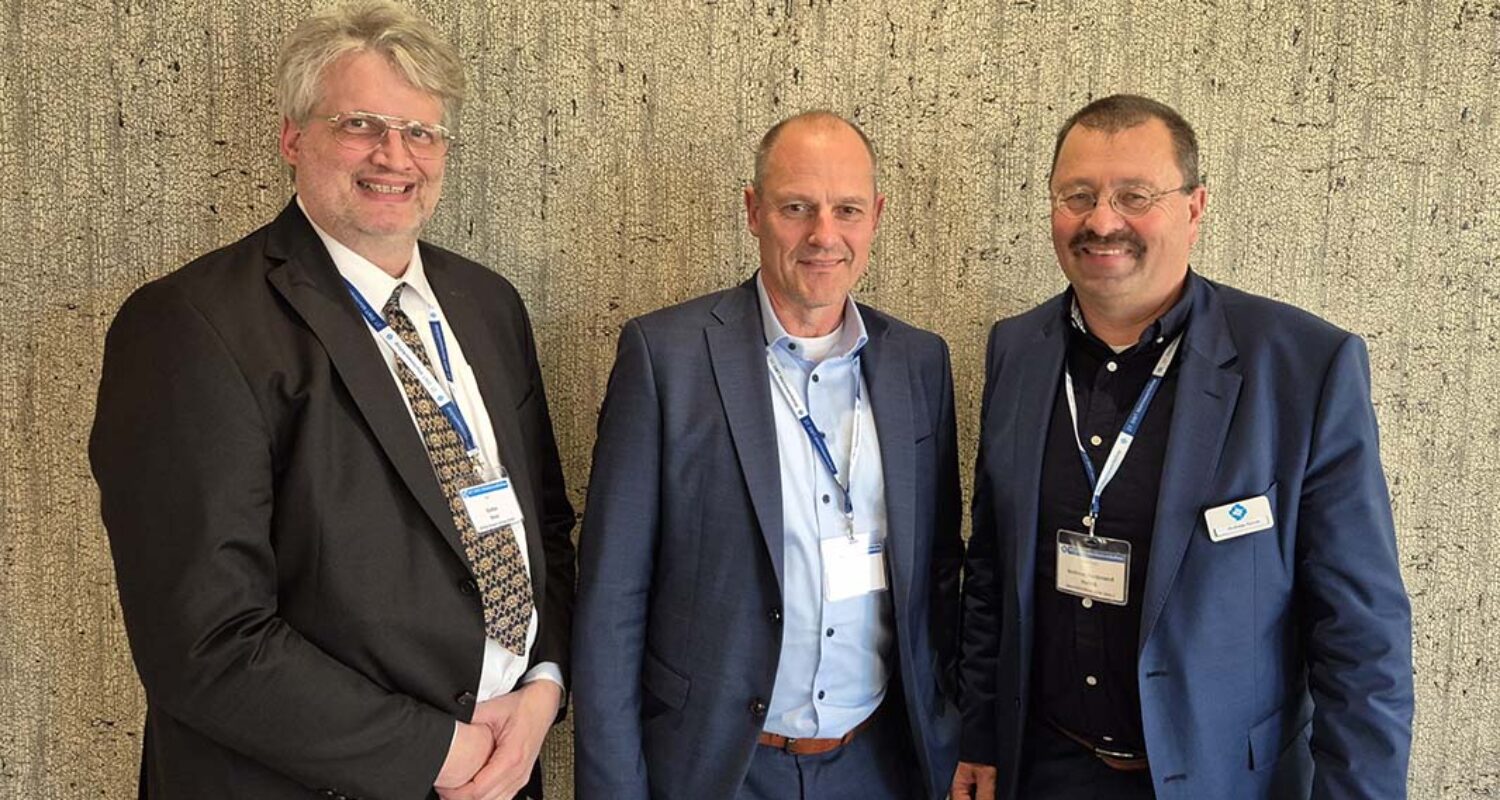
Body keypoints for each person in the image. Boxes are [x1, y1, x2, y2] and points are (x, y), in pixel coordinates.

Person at [88, 3, 575, 798]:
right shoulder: (191, 325)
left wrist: (544, 688)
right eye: (361, 124)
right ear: (293, 138)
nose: (395, 155)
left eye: (421, 131)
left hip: (503, 767)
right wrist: (438, 753)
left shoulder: (488, 306)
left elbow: (543, 525)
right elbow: (205, 641)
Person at [951, 93, 1414, 800]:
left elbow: (1361, 635)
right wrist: (979, 735)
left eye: (1135, 195)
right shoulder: (1016, 350)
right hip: (1042, 768)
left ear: (1195, 209)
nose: (1102, 220)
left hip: (1223, 781)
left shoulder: (1302, 366)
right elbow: (989, 570)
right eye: (1078, 195)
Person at [572, 111, 963, 800]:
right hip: (718, 766)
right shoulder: (666, 358)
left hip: (878, 762)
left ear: (876, 216)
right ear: (753, 211)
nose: (823, 235)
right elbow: (612, 600)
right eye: (796, 208)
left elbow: (937, 571)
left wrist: (948, 729)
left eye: (846, 210)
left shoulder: (919, 363)